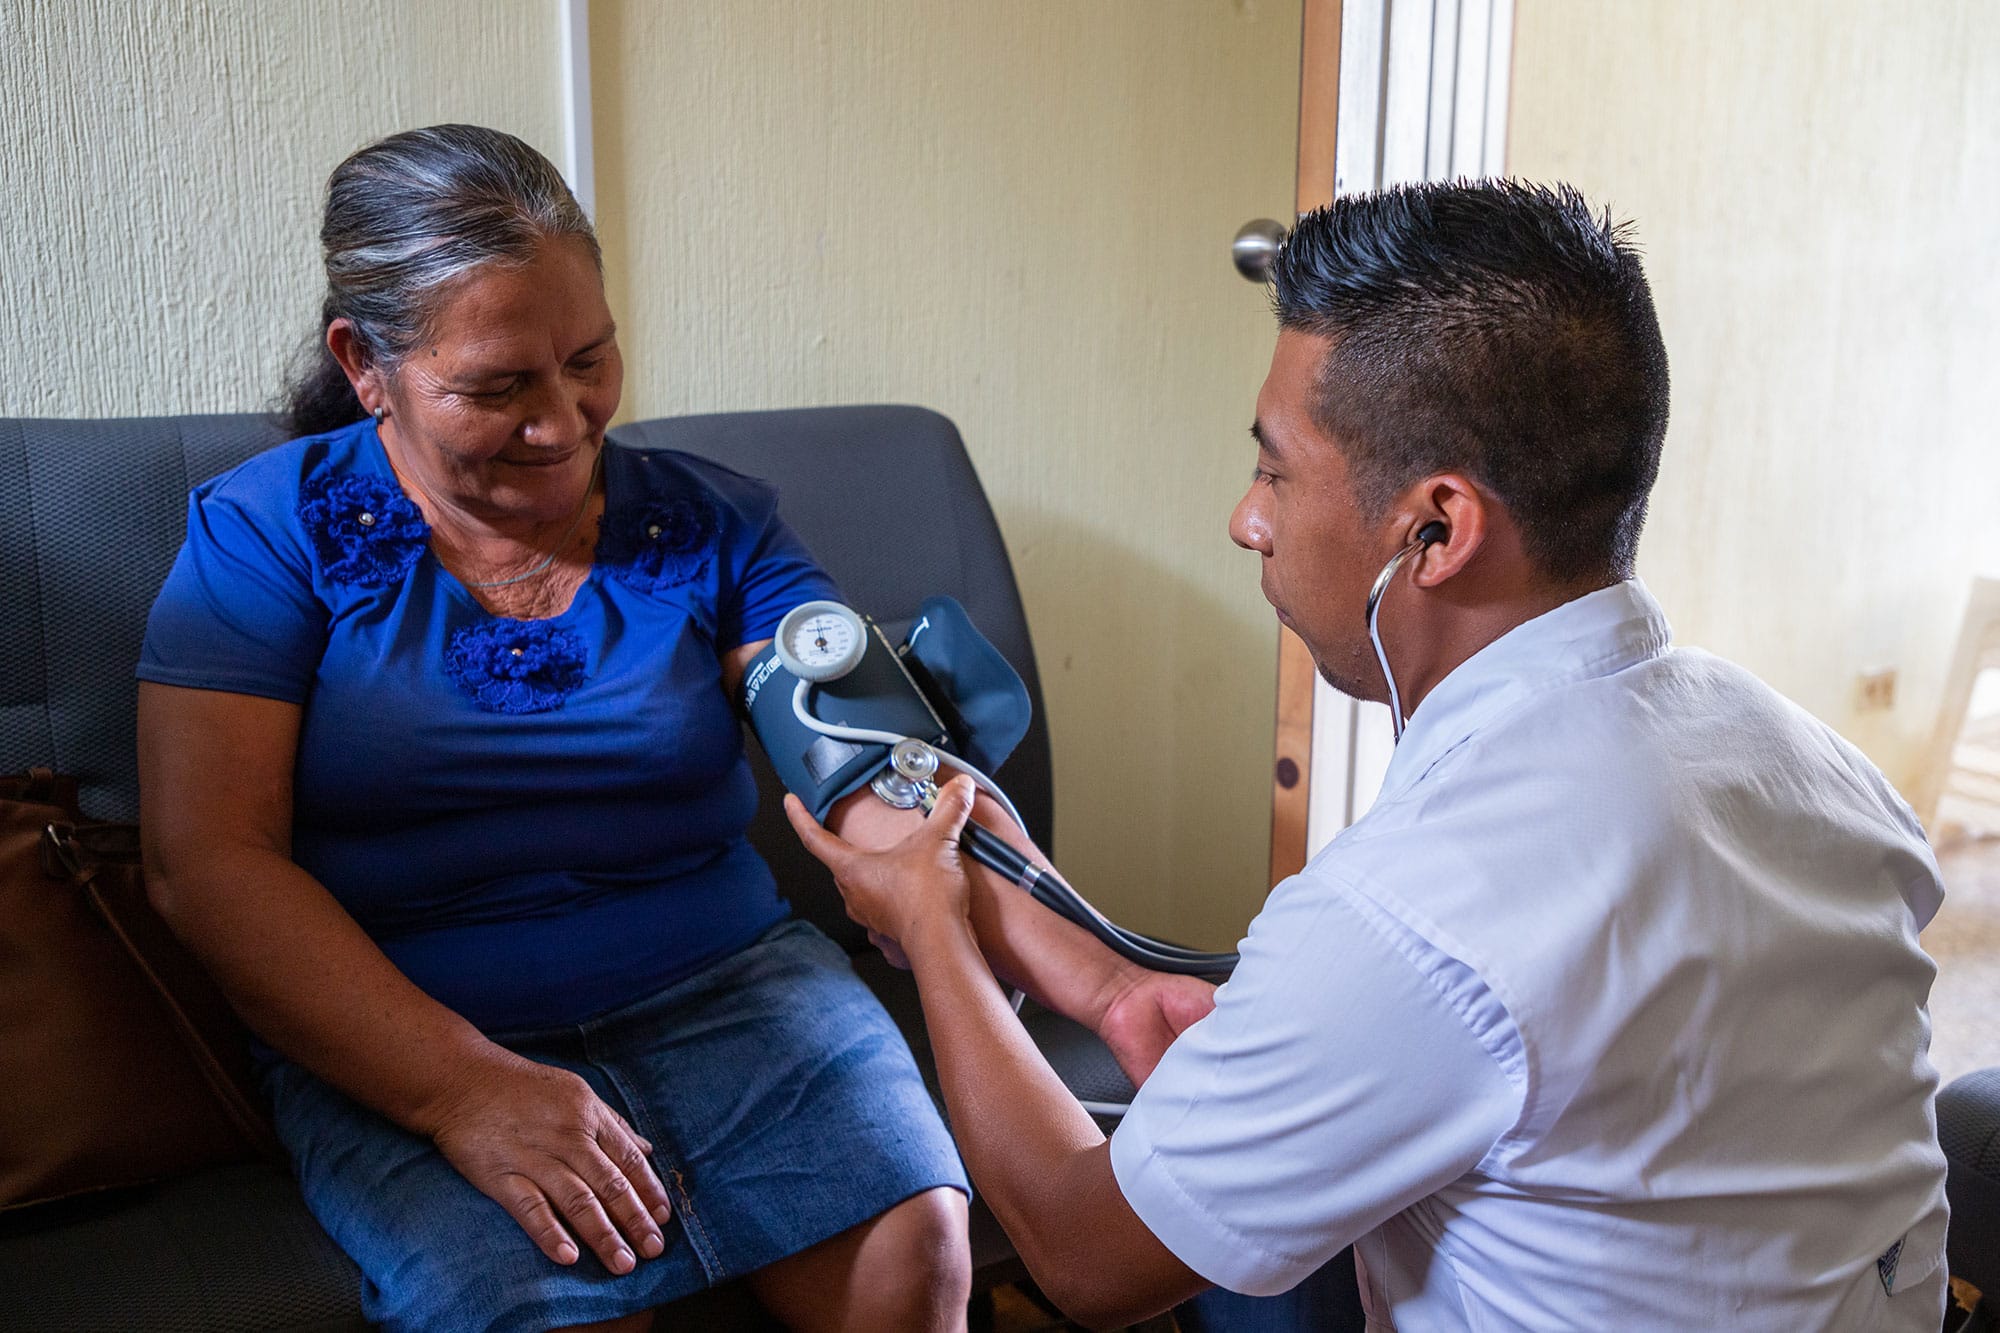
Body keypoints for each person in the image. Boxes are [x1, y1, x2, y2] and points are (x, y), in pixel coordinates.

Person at [786, 180, 1953, 1330]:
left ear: (1434, 530)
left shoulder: (1414, 911)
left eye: (1274, 469)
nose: (1246, 519)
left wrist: (932, 925)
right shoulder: (1806, 760)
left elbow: (1086, 1257)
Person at [136, 124, 974, 1333]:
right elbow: (205, 865)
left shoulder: (711, 522)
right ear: (364, 365)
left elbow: (875, 765)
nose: (565, 420)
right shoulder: (265, 536)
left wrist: (1100, 976)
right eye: (497, 387)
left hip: (732, 987)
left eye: (589, 358)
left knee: (916, 1247)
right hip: (411, 1023)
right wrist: (461, 1090)